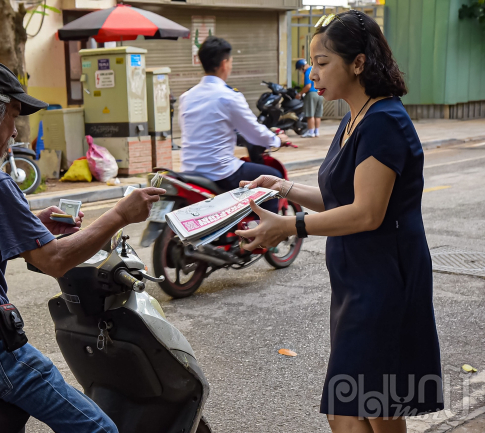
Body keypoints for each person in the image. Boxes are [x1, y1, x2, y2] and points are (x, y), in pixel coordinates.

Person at [0, 59, 165, 433]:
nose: (15, 132)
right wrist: (121, 214)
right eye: (13, 116)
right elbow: (54, 261)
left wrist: (30, 228)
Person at [237, 11, 443, 433]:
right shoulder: (355, 118)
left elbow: (367, 213)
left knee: (372, 405)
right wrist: (282, 188)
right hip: (356, 278)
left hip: (386, 277)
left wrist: (290, 227)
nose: (313, 73)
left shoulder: (384, 122)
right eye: (312, 62)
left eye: (322, 61)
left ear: (359, 63)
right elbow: (338, 199)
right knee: (349, 406)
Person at [179, 36, 288, 214]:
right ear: (224, 63)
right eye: (230, 61)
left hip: (189, 170)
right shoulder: (229, 96)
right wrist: (277, 140)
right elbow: (254, 133)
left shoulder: (187, 97)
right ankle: (266, 233)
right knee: (273, 178)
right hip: (220, 172)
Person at [295, 58, 324, 137]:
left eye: (299, 69)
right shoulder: (315, 69)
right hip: (320, 93)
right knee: (317, 114)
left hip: (311, 94)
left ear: (302, 67)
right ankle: (316, 132)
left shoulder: (308, 72)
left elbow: (308, 86)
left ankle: (311, 132)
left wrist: (300, 94)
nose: (300, 71)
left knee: (310, 114)